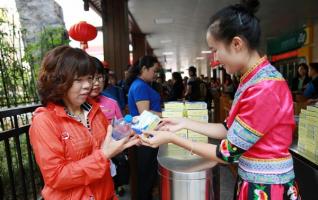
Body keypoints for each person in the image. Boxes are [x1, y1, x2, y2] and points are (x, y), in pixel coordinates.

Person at [141, 1, 301, 199]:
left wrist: (173, 138)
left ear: (236, 44)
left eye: (215, 49)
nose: (215, 57)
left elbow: (228, 153)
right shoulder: (252, 79)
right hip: (255, 182)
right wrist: (183, 123)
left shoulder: (264, 87)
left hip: (267, 189)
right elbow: (228, 128)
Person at [29, 45, 138, 200]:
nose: (88, 85)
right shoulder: (45, 121)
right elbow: (56, 177)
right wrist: (103, 156)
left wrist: (130, 135)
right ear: (58, 81)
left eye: (89, 78)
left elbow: (107, 141)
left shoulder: (93, 109)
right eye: (78, 79)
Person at [127, 55, 161, 200]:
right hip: (145, 137)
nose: (155, 74)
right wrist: (168, 114)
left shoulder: (141, 84)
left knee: (147, 175)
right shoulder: (140, 86)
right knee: (146, 177)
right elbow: (145, 114)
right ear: (144, 69)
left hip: (146, 135)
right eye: (154, 70)